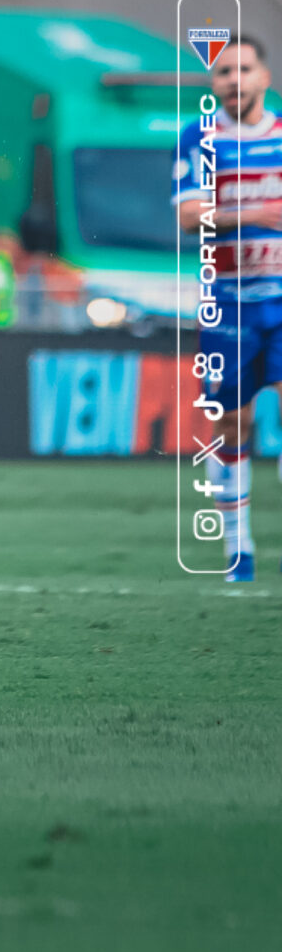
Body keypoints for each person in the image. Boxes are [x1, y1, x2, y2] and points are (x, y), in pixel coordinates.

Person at [178, 35, 277, 583]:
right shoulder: (199, 138)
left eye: (244, 69)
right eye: (223, 74)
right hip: (229, 304)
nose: (234, 81)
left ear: (264, 77)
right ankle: (238, 545)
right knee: (234, 423)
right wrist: (261, 209)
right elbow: (191, 217)